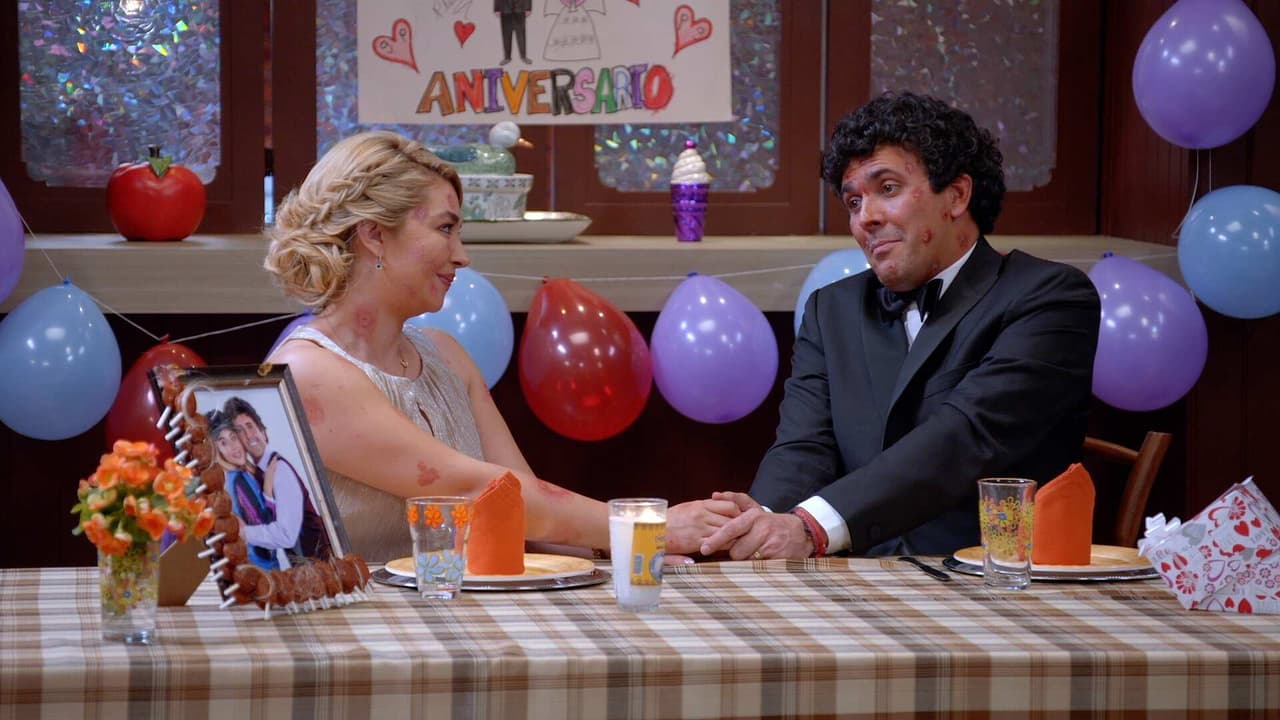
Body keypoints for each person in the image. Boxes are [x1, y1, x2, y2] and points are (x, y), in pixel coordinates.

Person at [264, 130, 737, 562]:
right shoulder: (308, 372)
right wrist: (647, 526)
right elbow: (477, 490)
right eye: (445, 228)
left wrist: (630, 549)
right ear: (374, 235)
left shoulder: (446, 355)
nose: (462, 256)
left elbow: (523, 512)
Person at [701, 92, 1101, 560]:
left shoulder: (1049, 296)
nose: (865, 218)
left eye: (887, 188)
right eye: (853, 201)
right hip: (853, 581)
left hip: (996, 577)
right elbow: (804, 446)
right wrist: (761, 524)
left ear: (957, 195)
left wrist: (811, 527)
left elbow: (965, 437)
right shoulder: (832, 309)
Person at [223, 396, 333, 563]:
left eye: (250, 426)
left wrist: (244, 533)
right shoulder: (257, 474)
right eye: (239, 431)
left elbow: (286, 535)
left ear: (262, 431)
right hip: (304, 565)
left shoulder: (279, 470)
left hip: (322, 562)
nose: (248, 436)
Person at [208, 409, 280, 570]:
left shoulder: (244, 474)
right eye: (223, 443)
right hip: (261, 569)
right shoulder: (237, 481)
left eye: (233, 438)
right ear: (217, 451)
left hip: (265, 567)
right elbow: (264, 528)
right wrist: (268, 489)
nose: (233, 447)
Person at [495, 0, 531, 66]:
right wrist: (497, 8)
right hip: (505, 9)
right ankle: (507, 57)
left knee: (521, 34)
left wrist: (527, 8)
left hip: (520, 8)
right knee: (506, 34)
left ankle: (523, 56)